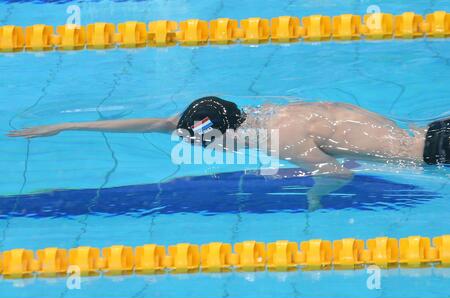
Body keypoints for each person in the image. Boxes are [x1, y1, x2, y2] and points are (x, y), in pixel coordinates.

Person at [7, 96, 449, 211]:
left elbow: (339, 173)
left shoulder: (284, 138)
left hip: (436, 152)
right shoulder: (272, 114)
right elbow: (162, 123)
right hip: (433, 129)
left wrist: (312, 193)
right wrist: (68, 125)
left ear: (221, 136)